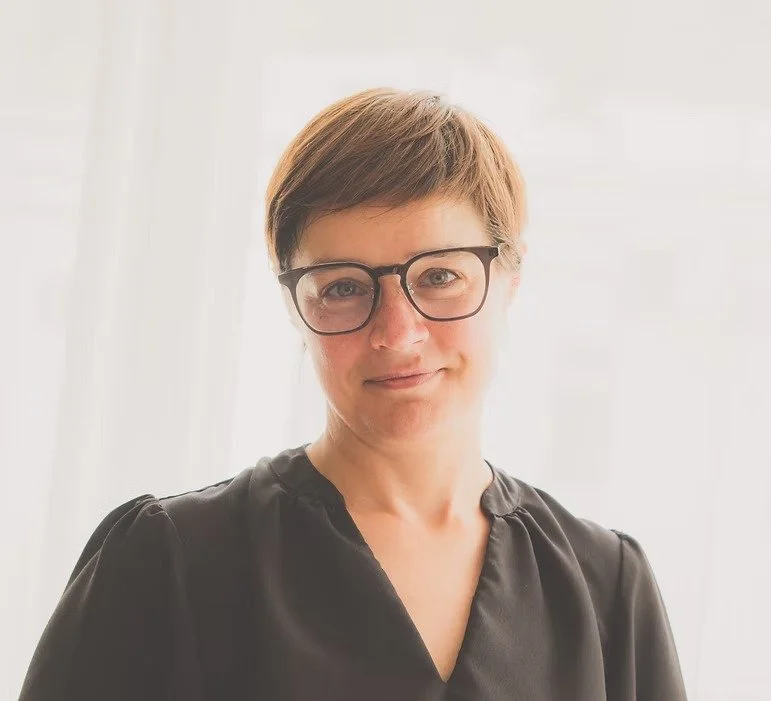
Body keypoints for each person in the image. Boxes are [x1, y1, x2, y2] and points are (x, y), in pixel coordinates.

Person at [20, 88, 687, 700]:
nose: (397, 333)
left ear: (509, 279)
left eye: (439, 276)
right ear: (293, 305)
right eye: (343, 286)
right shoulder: (171, 560)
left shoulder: (604, 587)